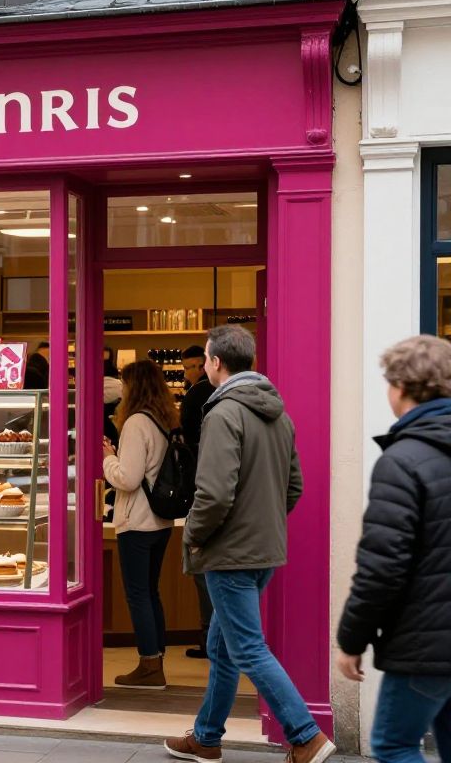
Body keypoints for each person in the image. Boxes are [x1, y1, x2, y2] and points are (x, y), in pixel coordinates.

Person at [165, 325, 334, 763]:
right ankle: (206, 737)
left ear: (216, 363)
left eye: (205, 358)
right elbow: (293, 487)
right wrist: (262, 525)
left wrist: (195, 535)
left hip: (230, 552)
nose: (203, 364)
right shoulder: (279, 414)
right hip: (263, 551)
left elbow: (215, 493)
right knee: (224, 646)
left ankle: (305, 735)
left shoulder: (222, 414)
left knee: (247, 648)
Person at [336, 335, 451, 763]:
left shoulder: (403, 460)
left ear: (400, 388)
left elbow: (382, 567)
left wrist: (351, 639)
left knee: (394, 743)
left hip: (424, 643)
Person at [101, 359, 177, 689]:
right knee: (150, 591)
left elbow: (128, 478)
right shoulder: (163, 419)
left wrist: (107, 457)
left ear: (135, 387)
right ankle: (155, 659)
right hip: (161, 520)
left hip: (137, 520)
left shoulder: (135, 423)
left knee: (137, 594)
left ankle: (149, 666)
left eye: (125, 382)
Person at [178, 344, 215, 660]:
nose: (191, 372)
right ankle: (216, 643)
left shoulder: (195, 397)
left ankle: (211, 641)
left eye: (194, 365)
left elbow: (190, 441)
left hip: (202, 500)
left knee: (204, 575)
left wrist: (195, 529)